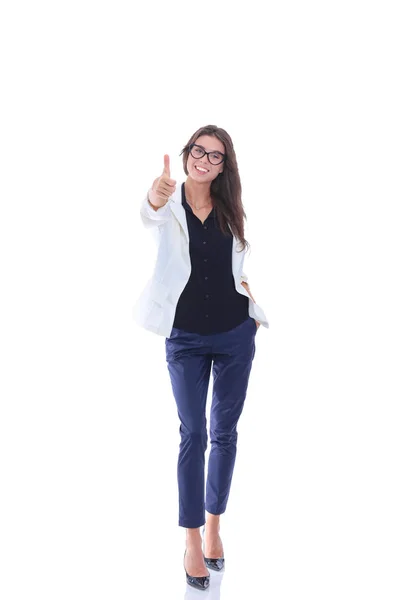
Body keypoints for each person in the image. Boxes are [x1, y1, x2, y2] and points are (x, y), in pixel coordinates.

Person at [134, 125, 269, 591]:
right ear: (186, 152)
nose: (204, 161)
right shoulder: (168, 202)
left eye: (215, 157)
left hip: (235, 336)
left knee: (225, 433)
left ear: (224, 165)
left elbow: (234, 265)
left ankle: (214, 527)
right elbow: (146, 214)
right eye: (199, 151)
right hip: (186, 337)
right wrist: (154, 194)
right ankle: (190, 538)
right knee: (194, 433)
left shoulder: (230, 209)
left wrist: (249, 305)